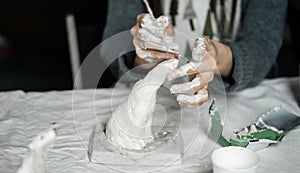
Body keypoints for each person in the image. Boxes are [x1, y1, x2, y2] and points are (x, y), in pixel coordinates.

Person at [102, 0, 288, 108]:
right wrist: (143, 55)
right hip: (153, 99)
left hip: (242, 101)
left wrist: (219, 56)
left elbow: (264, 45)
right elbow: (112, 47)